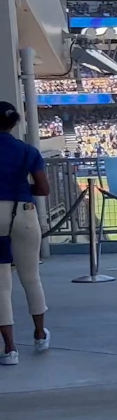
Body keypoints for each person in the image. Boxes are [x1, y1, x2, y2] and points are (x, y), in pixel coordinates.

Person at [0, 101, 50, 365]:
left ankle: (10, 349)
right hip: (24, 210)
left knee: (0, 286)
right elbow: (43, 188)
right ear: (15, 123)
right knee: (31, 278)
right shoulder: (27, 151)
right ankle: (40, 334)